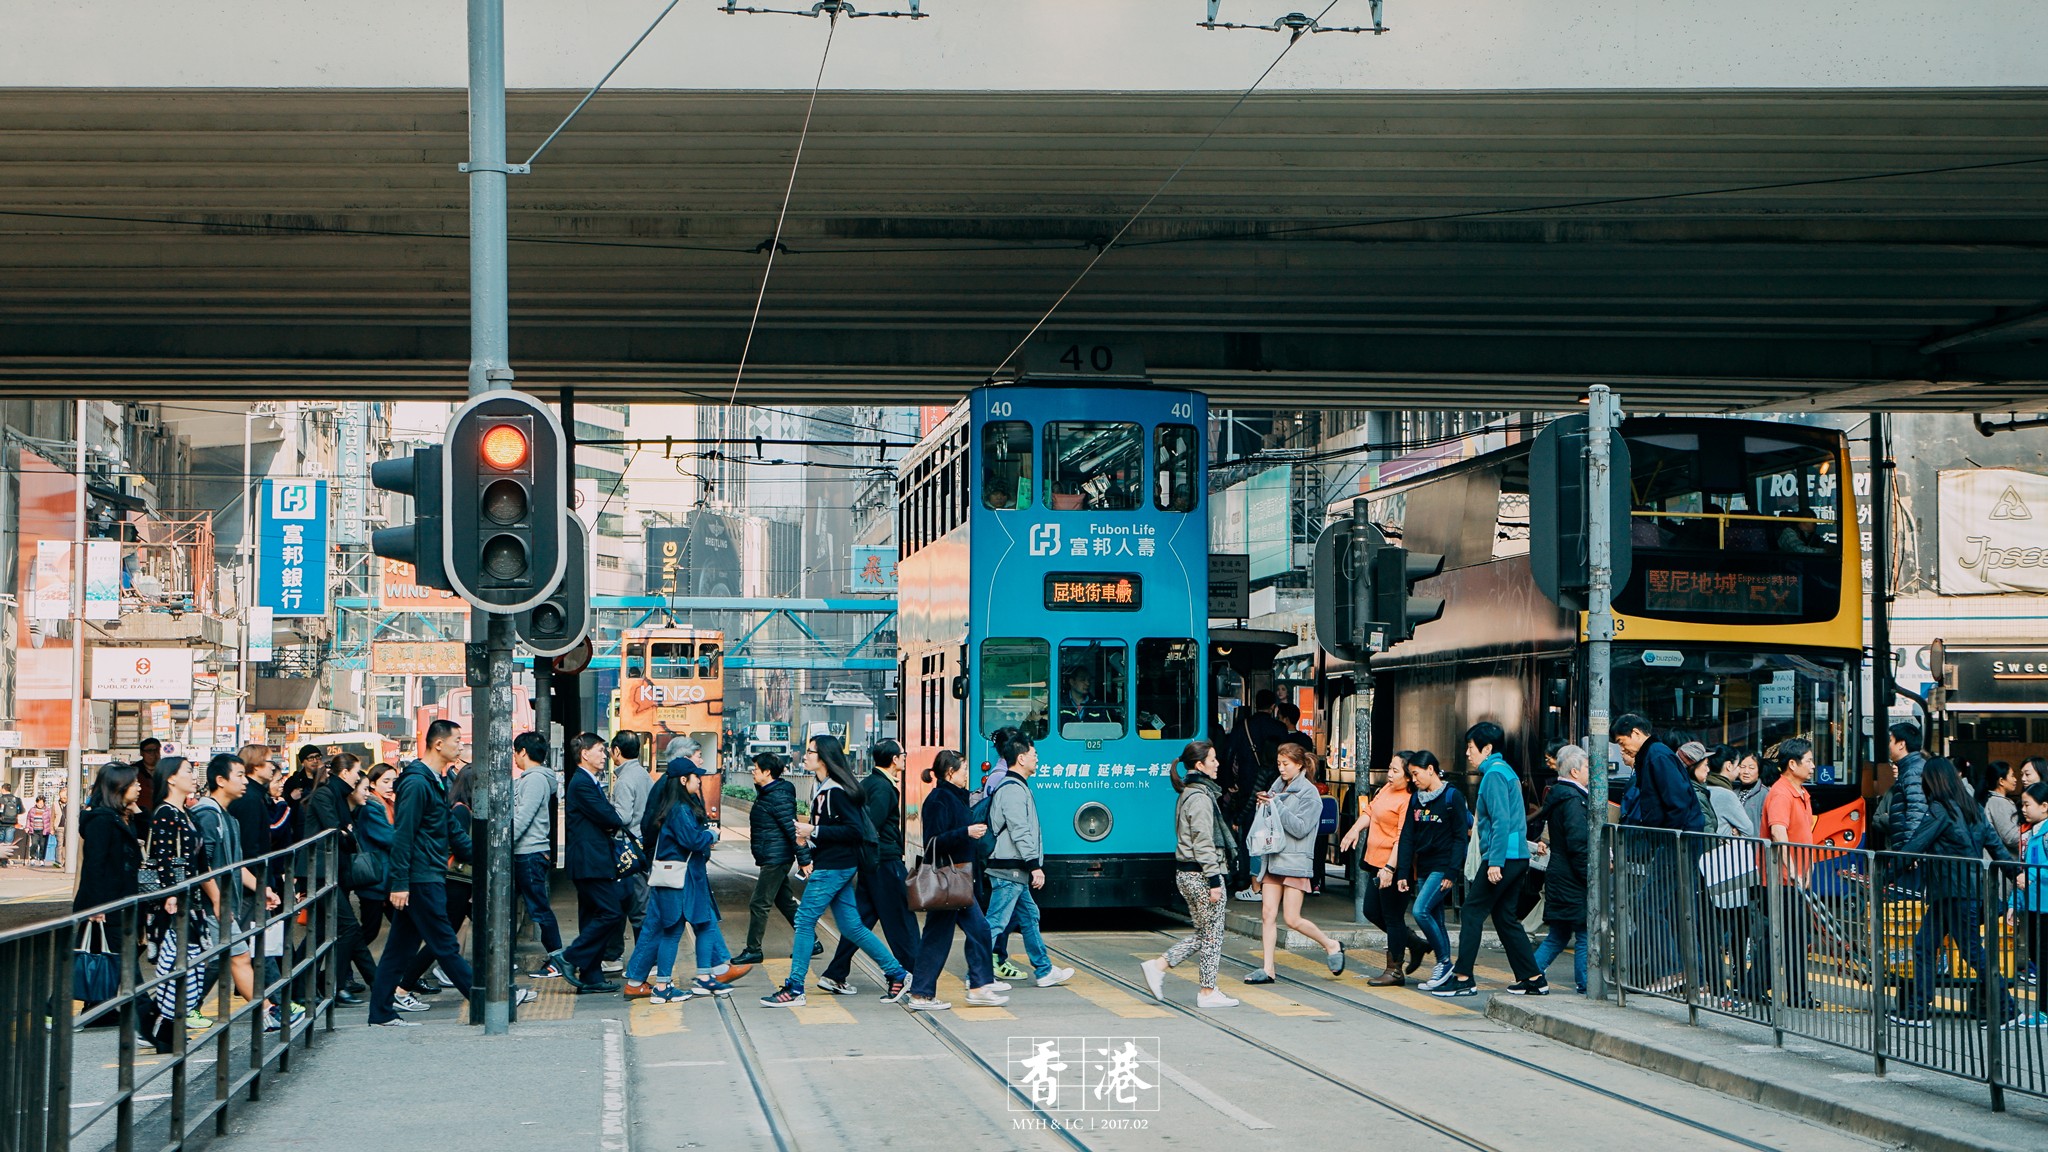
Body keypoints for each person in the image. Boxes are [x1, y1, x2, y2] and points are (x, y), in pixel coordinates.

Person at [760, 735, 914, 1007]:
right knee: (852, 926)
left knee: (804, 921)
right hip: (834, 864)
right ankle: (898, 973)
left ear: (825, 758)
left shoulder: (837, 790)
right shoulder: (823, 787)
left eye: (810, 752)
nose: (804, 756)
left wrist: (814, 830)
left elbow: (855, 830)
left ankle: (795, 987)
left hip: (834, 867)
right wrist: (808, 838)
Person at [1890, 757, 2027, 1027]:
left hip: (1953, 892)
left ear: (1933, 781)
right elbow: (1996, 847)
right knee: (1924, 946)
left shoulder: (1940, 810)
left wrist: (1885, 872)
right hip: (1964, 891)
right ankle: (1918, 1009)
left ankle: (2009, 1009)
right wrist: (2016, 873)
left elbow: (1915, 845)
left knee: (1971, 952)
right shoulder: (1972, 807)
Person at [366, 719, 476, 1028]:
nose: (461, 746)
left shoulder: (432, 780)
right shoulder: (417, 783)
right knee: (445, 945)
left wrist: (479, 856)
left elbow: (449, 827)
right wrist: (400, 883)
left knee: (398, 950)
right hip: (420, 877)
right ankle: (483, 1003)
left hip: (425, 874)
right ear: (438, 744)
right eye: (457, 740)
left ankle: (381, 1012)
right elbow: (403, 835)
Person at [624, 756, 752, 1001]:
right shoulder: (680, 809)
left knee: (702, 922)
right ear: (684, 780)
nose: (700, 781)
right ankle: (663, 987)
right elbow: (691, 841)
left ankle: (704, 977)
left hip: (685, 877)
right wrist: (711, 835)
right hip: (680, 880)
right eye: (696, 776)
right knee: (672, 929)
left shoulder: (676, 806)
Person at [1434, 722, 1543, 997]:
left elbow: (1500, 821)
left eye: (1471, 748)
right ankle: (1532, 977)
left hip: (1503, 857)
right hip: (1517, 856)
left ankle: (1462, 977)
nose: (1468, 753)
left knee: (1472, 911)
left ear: (1488, 748)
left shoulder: (1494, 775)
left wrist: (1494, 862)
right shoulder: (1507, 772)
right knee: (1505, 916)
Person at [905, 749, 1007, 1011]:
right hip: (947, 880)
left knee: (978, 931)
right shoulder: (939, 799)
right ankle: (923, 993)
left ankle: (978, 986)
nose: (966, 775)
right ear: (950, 772)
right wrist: (966, 832)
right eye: (963, 770)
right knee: (939, 937)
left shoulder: (953, 797)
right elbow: (932, 842)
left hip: (958, 881)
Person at [192, 754, 289, 1032]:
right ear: (220, 781)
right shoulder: (208, 816)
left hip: (222, 903)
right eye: (238, 775)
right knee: (236, 957)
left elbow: (236, 866)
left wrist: (263, 889)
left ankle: (270, 1011)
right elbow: (204, 865)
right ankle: (270, 1011)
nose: (244, 781)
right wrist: (217, 900)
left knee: (230, 958)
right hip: (210, 905)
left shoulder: (228, 818)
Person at [818, 739, 921, 996]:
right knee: (902, 921)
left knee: (859, 921)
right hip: (884, 862)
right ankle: (913, 975)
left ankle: (835, 973)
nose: (905, 758)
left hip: (872, 864)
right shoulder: (883, 788)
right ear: (894, 760)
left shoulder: (869, 783)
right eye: (903, 754)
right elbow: (870, 826)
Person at [1143, 741, 1239, 1008]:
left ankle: (1159, 966)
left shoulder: (1191, 792)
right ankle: (1207, 992)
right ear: (1200, 765)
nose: (1217, 763)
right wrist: (1214, 880)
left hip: (1189, 873)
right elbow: (1203, 841)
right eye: (1213, 759)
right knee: (1212, 935)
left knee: (1203, 933)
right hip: (1200, 875)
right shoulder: (1199, 797)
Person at [977, 732, 1075, 994]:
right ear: (1021, 758)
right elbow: (1020, 830)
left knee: (1030, 917)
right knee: (996, 922)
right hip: (1009, 868)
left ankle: (1043, 970)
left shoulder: (1017, 786)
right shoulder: (1011, 789)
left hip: (1014, 869)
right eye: (1033, 754)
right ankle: (975, 975)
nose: (1037, 758)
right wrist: (1034, 865)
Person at [1242, 743, 1345, 983]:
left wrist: (1275, 805)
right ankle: (1268, 969)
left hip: (1295, 862)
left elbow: (1300, 829)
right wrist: (1264, 807)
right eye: (1279, 764)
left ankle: (1331, 945)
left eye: (1286, 764)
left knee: (1292, 918)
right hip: (1273, 858)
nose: (1281, 769)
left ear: (1299, 765)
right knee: (1267, 914)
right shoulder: (1276, 788)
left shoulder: (1310, 794)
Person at [1615, 714, 1702, 993]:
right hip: (1676, 839)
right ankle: (1695, 977)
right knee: (1677, 910)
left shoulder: (1656, 756)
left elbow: (1676, 802)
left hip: (1675, 841)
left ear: (1637, 733)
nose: (1622, 748)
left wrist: (1668, 837)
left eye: (1622, 740)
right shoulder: (1655, 754)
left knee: (1646, 904)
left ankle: (1672, 970)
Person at [142, 756, 214, 1047]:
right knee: (176, 965)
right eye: (187, 771)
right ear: (171, 778)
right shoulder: (165, 813)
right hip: (175, 903)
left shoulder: (187, 813)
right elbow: (163, 859)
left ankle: (164, 1023)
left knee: (191, 964)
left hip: (191, 901)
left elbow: (199, 861)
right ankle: (162, 1027)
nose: (193, 776)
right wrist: (171, 893)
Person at [553, 732, 629, 994]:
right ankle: (570, 956)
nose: (604, 754)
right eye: (599, 749)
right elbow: (610, 817)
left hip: (590, 860)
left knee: (591, 916)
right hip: (590, 861)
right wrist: (610, 820)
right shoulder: (582, 783)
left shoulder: (588, 781)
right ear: (585, 753)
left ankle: (591, 976)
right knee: (611, 912)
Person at [1342, 752, 1425, 985]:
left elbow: (1403, 838)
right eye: (1389, 768)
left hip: (1395, 866)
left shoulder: (1409, 800)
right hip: (1376, 862)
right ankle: (1414, 942)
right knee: (1371, 911)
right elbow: (1369, 811)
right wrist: (1354, 830)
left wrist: (1390, 867)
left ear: (1409, 777)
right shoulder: (1386, 790)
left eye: (1395, 771)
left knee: (1393, 917)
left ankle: (1394, 970)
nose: (1389, 774)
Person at [306, 752, 374, 1003]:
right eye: (357, 773)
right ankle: (329, 986)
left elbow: (347, 833)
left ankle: (305, 985)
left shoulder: (338, 795)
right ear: (345, 773)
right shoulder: (327, 794)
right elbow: (337, 832)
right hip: (323, 871)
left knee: (323, 930)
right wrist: (346, 834)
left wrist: (347, 834)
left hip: (333, 871)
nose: (358, 779)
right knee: (344, 927)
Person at [733, 751, 811, 966]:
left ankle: (753, 950)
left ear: (767, 772)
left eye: (756, 768)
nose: (752, 771)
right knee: (784, 901)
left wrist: (804, 859)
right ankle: (811, 940)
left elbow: (792, 829)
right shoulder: (768, 792)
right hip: (772, 855)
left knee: (759, 903)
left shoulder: (778, 796)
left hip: (776, 858)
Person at [1761, 738, 1819, 1009]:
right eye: (1808, 761)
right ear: (1792, 764)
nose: (1813, 765)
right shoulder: (1782, 793)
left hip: (1794, 877)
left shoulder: (1801, 792)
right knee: (1791, 937)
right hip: (1782, 879)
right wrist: (1793, 870)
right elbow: (1778, 831)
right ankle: (1795, 994)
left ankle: (1756, 987)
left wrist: (1808, 867)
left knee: (1786, 936)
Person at [1531, 744, 1592, 994]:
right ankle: (1587, 983)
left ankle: (1530, 974)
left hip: (1561, 874)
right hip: (1572, 877)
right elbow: (1578, 843)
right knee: (1585, 932)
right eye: (1587, 766)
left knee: (1559, 933)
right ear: (1575, 772)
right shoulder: (1574, 800)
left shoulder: (1560, 796)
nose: (1591, 771)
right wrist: (1590, 876)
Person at [511, 732, 565, 979]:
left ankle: (557, 959)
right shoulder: (533, 778)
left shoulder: (534, 780)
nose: (514, 756)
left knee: (539, 909)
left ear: (523, 752)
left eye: (515, 751)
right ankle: (505, 957)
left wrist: (504, 843)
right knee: (514, 907)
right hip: (528, 852)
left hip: (529, 853)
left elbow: (523, 817)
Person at [1224, 690, 1287, 900]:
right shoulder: (1279, 728)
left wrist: (1230, 784)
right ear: (1273, 707)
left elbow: (1230, 754)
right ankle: (1273, 881)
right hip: (1276, 787)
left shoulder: (1243, 727)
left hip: (1247, 786)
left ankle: (1245, 877)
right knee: (1274, 834)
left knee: (1249, 835)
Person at [602, 731, 652, 974]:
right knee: (638, 903)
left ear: (616, 752)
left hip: (627, 850)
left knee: (631, 904)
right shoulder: (644, 775)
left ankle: (638, 959)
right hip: (641, 848)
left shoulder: (624, 780)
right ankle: (624, 956)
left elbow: (622, 817)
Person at [74, 761, 142, 939]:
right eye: (134, 783)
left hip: (122, 904)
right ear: (119, 787)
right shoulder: (101, 820)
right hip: (106, 909)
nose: (139, 787)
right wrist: (97, 905)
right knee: (107, 962)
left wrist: (137, 809)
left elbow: (147, 831)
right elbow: (94, 865)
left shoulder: (124, 817)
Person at [2013, 782, 2048, 1027]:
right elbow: (2024, 872)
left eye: (2028, 804)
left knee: (2044, 959)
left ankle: (2045, 1011)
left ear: (2045, 806)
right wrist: (2014, 903)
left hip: (2045, 907)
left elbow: (2031, 873)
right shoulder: (2031, 833)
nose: (2024, 809)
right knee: (2040, 956)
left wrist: (2033, 877)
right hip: (2035, 906)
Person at [1877, 721, 1930, 851]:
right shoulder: (1911, 768)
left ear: (1901, 744)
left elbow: (1916, 813)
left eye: (1891, 740)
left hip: (1909, 852)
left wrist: (1910, 853)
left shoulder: (1913, 772)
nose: (1888, 745)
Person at [1979, 761, 2024, 855]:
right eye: (2012, 776)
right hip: (2003, 863)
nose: (2015, 780)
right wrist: (2031, 834)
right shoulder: (1998, 803)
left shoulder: (1994, 800)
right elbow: (2010, 837)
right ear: (2001, 781)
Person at [1731, 751, 1768, 835]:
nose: (1746, 771)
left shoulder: (1765, 794)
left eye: (1751, 768)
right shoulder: (1733, 793)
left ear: (1759, 771)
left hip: (1756, 845)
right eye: (1742, 767)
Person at [0, 779, 22, 866]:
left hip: (1, 823)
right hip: (11, 824)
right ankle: (4, 862)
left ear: (3, 789)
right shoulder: (16, 800)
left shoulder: (1, 799)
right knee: (8, 843)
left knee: (1, 842)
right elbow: (21, 810)